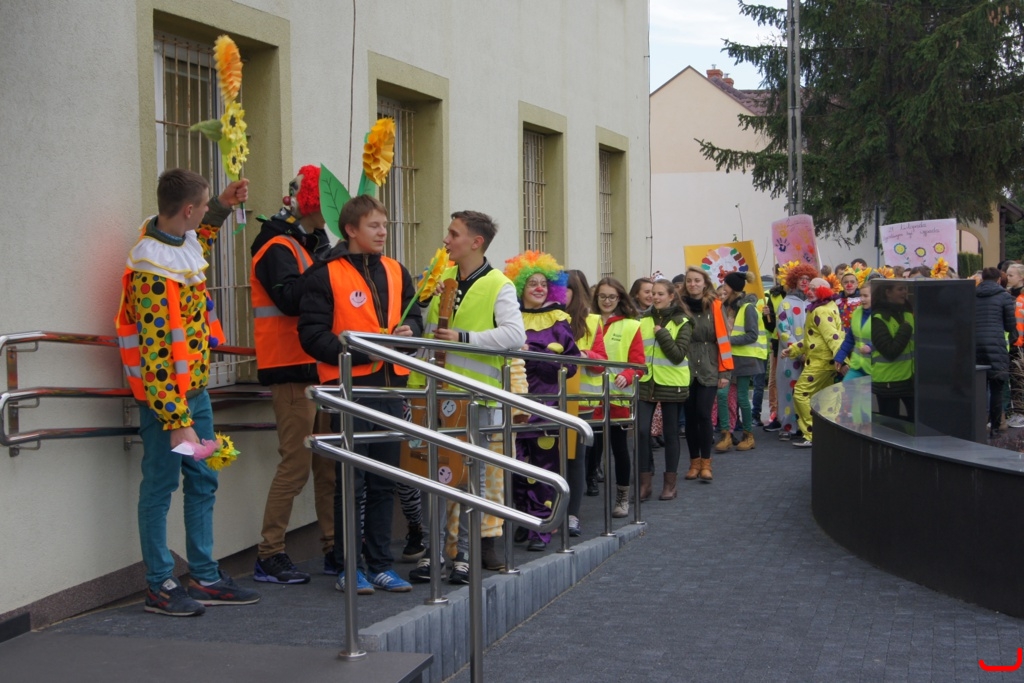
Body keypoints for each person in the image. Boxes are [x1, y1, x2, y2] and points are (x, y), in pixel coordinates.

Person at [116, 169, 260, 616]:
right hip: (167, 406)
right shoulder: (151, 272)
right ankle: (159, 584)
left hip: (194, 395)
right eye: (201, 208)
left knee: (203, 479)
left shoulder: (179, 240)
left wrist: (223, 204)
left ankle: (203, 575)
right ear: (187, 210)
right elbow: (156, 355)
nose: (202, 221)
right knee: (161, 487)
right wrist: (176, 421)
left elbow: (203, 239)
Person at [298, 194, 422, 595]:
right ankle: (348, 567)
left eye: (385, 225)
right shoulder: (325, 274)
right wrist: (365, 352)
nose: (383, 232)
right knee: (351, 481)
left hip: (391, 388)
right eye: (374, 226)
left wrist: (411, 334)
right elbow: (312, 336)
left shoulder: (397, 270)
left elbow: (414, 318)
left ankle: (381, 565)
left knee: (385, 481)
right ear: (351, 230)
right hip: (349, 389)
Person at [409, 211, 526, 584]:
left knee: (471, 479)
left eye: (454, 233)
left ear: (476, 242)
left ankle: (465, 554)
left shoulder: (498, 284)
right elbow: (429, 336)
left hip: (477, 400)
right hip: (436, 394)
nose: (446, 239)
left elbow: (515, 335)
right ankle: (433, 552)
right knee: (433, 477)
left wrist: (465, 339)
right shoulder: (441, 279)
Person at [249, 166, 336, 585]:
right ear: (314, 204)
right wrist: (327, 267)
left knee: (329, 466)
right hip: (289, 369)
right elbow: (288, 300)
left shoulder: (310, 243)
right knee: (296, 465)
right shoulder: (276, 245)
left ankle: (334, 548)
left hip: (318, 367)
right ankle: (269, 553)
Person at [504, 252, 580, 551]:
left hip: (546, 408)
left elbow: (571, 365)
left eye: (543, 284)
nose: (538, 288)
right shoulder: (510, 319)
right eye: (531, 283)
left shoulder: (559, 321)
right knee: (516, 466)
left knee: (544, 468)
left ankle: (541, 526)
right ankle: (525, 517)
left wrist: (538, 355)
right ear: (520, 287)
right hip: (513, 405)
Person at [587, 277, 645, 517]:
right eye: (602, 296)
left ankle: (622, 497)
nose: (607, 301)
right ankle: (589, 480)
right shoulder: (586, 322)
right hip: (589, 397)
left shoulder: (631, 325)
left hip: (617, 398)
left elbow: (639, 365)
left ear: (620, 298)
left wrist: (628, 375)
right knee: (589, 448)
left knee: (619, 449)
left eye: (612, 297)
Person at [637, 279, 693, 499]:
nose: (655, 297)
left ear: (671, 296)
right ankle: (645, 482)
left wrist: (661, 334)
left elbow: (678, 355)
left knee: (670, 434)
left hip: (672, 383)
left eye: (660, 294)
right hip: (646, 382)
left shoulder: (683, 321)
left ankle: (670, 485)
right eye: (653, 293)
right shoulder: (642, 319)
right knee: (642, 431)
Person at [677, 267, 732, 483]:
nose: (693, 284)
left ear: (705, 283)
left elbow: (724, 340)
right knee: (690, 417)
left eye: (697, 280)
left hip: (709, 365)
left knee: (703, 413)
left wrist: (725, 371)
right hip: (686, 366)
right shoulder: (679, 306)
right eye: (689, 281)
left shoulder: (715, 305)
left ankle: (706, 463)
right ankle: (694, 463)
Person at [565, 269, 607, 533]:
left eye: (566, 289)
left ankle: (572, 514)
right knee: (546, 458)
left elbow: (602, 362)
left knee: (575, 459)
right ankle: (542, 512)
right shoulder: (545, 316)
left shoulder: (591, 321)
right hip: (549, 400)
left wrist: (585, 355)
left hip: (582, 402)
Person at [782, 277, 844, 448]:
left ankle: (813, 433)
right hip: (825, 362)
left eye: (814, 289)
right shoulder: (826, 307)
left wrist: (842, 360)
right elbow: (814, 338)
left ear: (825, 290)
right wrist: (794, 349)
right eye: (809, 288)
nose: (809, 292)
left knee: (801, 393)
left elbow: (833, 337)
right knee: (826, 398)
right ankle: (827, 434)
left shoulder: (821, 311)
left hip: (820, 363)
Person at [719, 271, 767, 451]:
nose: (723, 288)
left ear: (733, 288)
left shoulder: (748, 308)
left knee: (741, 397)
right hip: (727, 357)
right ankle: (726, 435)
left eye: (726, 284)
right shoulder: (724, 306)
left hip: (745, 359)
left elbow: (752, 335)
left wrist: (728, 340)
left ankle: (748, 435)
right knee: (722, 395)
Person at [775, 264, 818, 439]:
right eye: (801, 279)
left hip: (812, 356)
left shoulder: (814, 303)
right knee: (789, 390)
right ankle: (788, 426)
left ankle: (807, 426)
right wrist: (798, 352)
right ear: (794, 280)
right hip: (790, 357)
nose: (804, 282)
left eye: (808, 279)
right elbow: (783, 331)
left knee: (809, 391)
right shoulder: (785, 304)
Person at [974, 268, 1017, 438]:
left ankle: (978, 426)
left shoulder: (972, 295)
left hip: (975, 344)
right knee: (997, 387)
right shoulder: (1004, 296)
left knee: (979, 387)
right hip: (996, 345)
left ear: (983, 279)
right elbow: (1010, 325)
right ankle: (995, 428)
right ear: (999, 279)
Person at [871, 280, 916, 425]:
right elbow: (890, 351)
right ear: (888, 292)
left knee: (917, 423)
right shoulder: (877, 319)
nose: (905, 292)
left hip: (909, 380)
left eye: (905, 289)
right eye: (900, 289)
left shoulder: (907, 314)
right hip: (888, 383)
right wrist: (905, 329)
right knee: (891, 428)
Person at [835, 274, 876, 381]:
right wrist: (840, 357)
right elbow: (850, 339)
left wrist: (871, 346)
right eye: (861, 295)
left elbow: (886, 339)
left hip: (875, 368)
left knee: (868, 392)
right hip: (857, 366)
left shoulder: (881, 314)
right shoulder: (857, 312)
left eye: (866, 296)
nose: (862, 299)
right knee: (846, 388)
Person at [1006, 263, 1024, 428]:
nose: (1008, 277)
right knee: (1014, 378)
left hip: (1021, 345)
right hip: (1012, 344)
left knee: (1019, 379)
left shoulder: (1021, 297)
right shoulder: (1008, 295)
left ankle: (1020, 413)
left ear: (1021, 277)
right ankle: (1016, 411)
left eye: (1011, 275)